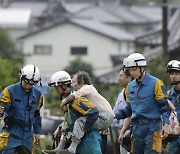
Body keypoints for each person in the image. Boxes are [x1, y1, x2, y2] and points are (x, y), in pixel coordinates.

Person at [115, 53, 169, 154]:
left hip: (152, 128)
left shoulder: (156, 83)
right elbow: (129, 110)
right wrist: (114, 116)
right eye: (130, 70)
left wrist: (166, 124)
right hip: (136, 129)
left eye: (134, 69)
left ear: (142, 67)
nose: (132, 72)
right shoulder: (130, 87)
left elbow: (164, 106)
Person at [42, 71, 102, 154]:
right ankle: (59, 148)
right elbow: (69, 122)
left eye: (57, 88)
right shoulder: (69, 102)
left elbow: (94, 111)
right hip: (81, 145)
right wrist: (60, 128)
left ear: (64, 86)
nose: (56, 91)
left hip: (89, 144)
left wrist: (86, 128)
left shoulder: (76, 100)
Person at [60, 71, 114, 154]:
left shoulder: (87, 88)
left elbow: (74, 95)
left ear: (81, 81)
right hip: (103, 116)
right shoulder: (84, 92)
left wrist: (64, 101)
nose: (72, 85)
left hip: (104, 116)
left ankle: (72, 148)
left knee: (80, 122)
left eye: (74, 82)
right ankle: (62, 146)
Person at [0, 64, 43, 153]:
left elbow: (36, 114)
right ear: (21, 77)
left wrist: (37, 132)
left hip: (28, 134)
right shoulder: (9, 91)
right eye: (26, 82)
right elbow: (2, 106)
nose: (28, 85)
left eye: (31, 83)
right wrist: (1, 110)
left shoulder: (38, 94)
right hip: (11, 131)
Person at [111, 67, 133, 154]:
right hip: (123, 132)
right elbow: (115, 113)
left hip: (133, 130)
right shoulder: (121, 94)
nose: (119, 78)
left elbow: (130, 113)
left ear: (129, 77)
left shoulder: (136, 92)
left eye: (121, 76)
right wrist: (107, 124)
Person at [166, 60, 180, 154]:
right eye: (171, 73)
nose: (173, 76)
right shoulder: (167, 95)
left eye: (176, 73)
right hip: (173, 137)